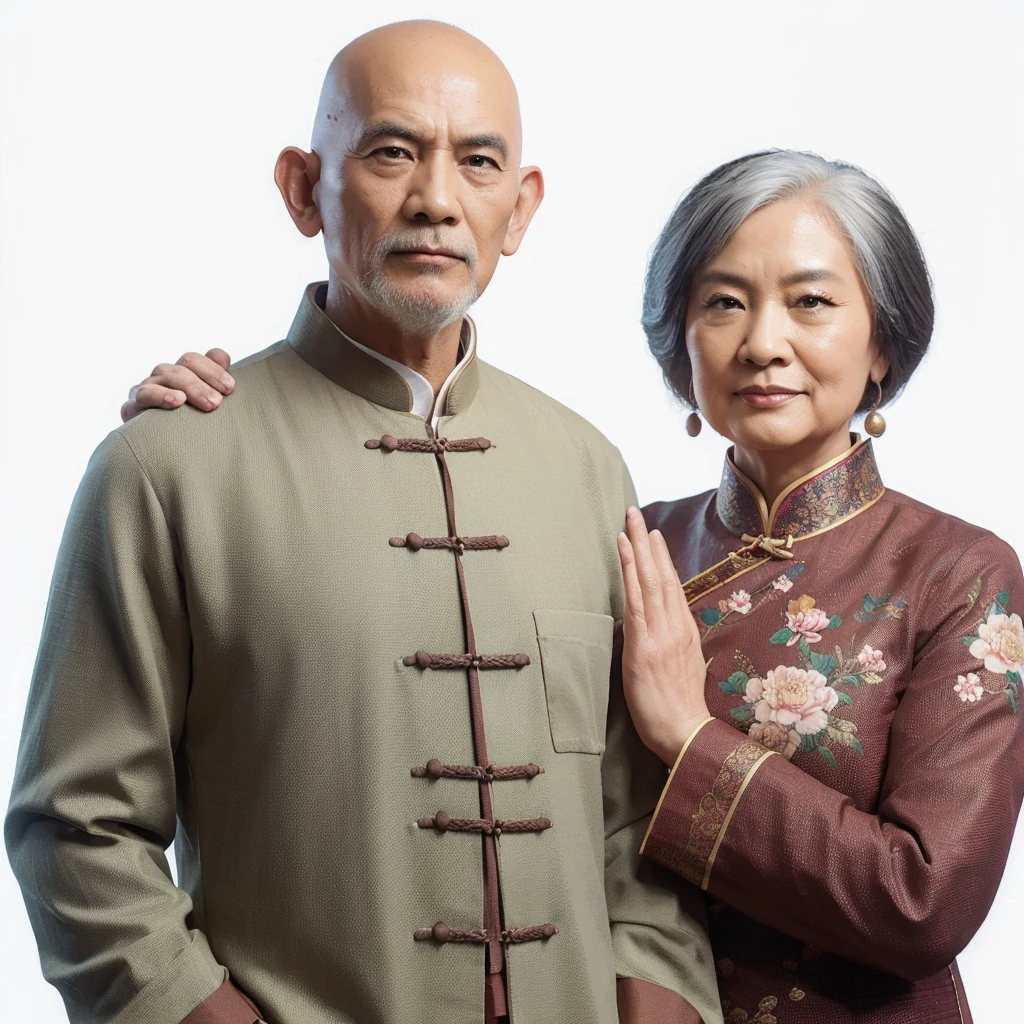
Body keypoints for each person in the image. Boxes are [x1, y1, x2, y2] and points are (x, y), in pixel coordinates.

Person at [5, 21, 721, 1024]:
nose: (435, 197)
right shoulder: (165, 467)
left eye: (477, 161)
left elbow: (634, 815)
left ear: (519, 209)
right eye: (391, 151)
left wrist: (662, 1006)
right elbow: (76, 829)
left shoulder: (587, 468)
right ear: (303, 188)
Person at [614, 149, 1023, 1022]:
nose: (763, 343)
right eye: (723, 302)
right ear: (679, 340)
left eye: (811, 302)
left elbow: (925, 900)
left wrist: (689, 736)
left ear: (882, 341)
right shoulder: (631, 543)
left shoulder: (960, 576)